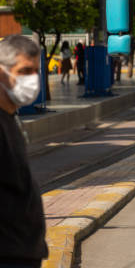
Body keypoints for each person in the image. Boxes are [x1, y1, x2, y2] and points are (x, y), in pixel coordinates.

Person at [0, 35, 48, 267]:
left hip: (23, 252)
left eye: (35, 71)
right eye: (25, 71)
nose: (32, 79)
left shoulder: (11, 117)